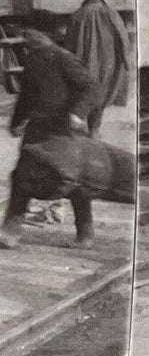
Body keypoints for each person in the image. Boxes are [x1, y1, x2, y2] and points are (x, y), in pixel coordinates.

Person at [1, 28, 101, 249]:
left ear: (45, 37)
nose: (28, 40)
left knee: (74, 180)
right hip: (38, 128)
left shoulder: (64, 59)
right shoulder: (32, 60)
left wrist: (77, 113)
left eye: (32, 35)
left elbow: (91, 87)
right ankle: (10, 230)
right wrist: (17, 122)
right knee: (21, 176)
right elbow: (26, 96)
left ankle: (85, 233)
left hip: (65, 129)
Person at [65, 0, 131, 134]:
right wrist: (126, 62)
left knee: (85, 95)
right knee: (101, 95)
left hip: (83, 64)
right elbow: (123, 39)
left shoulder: (77, 16)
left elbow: (68, 46)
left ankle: (85, 130)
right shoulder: (111, 14)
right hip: (106, 64)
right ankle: (94, 130)